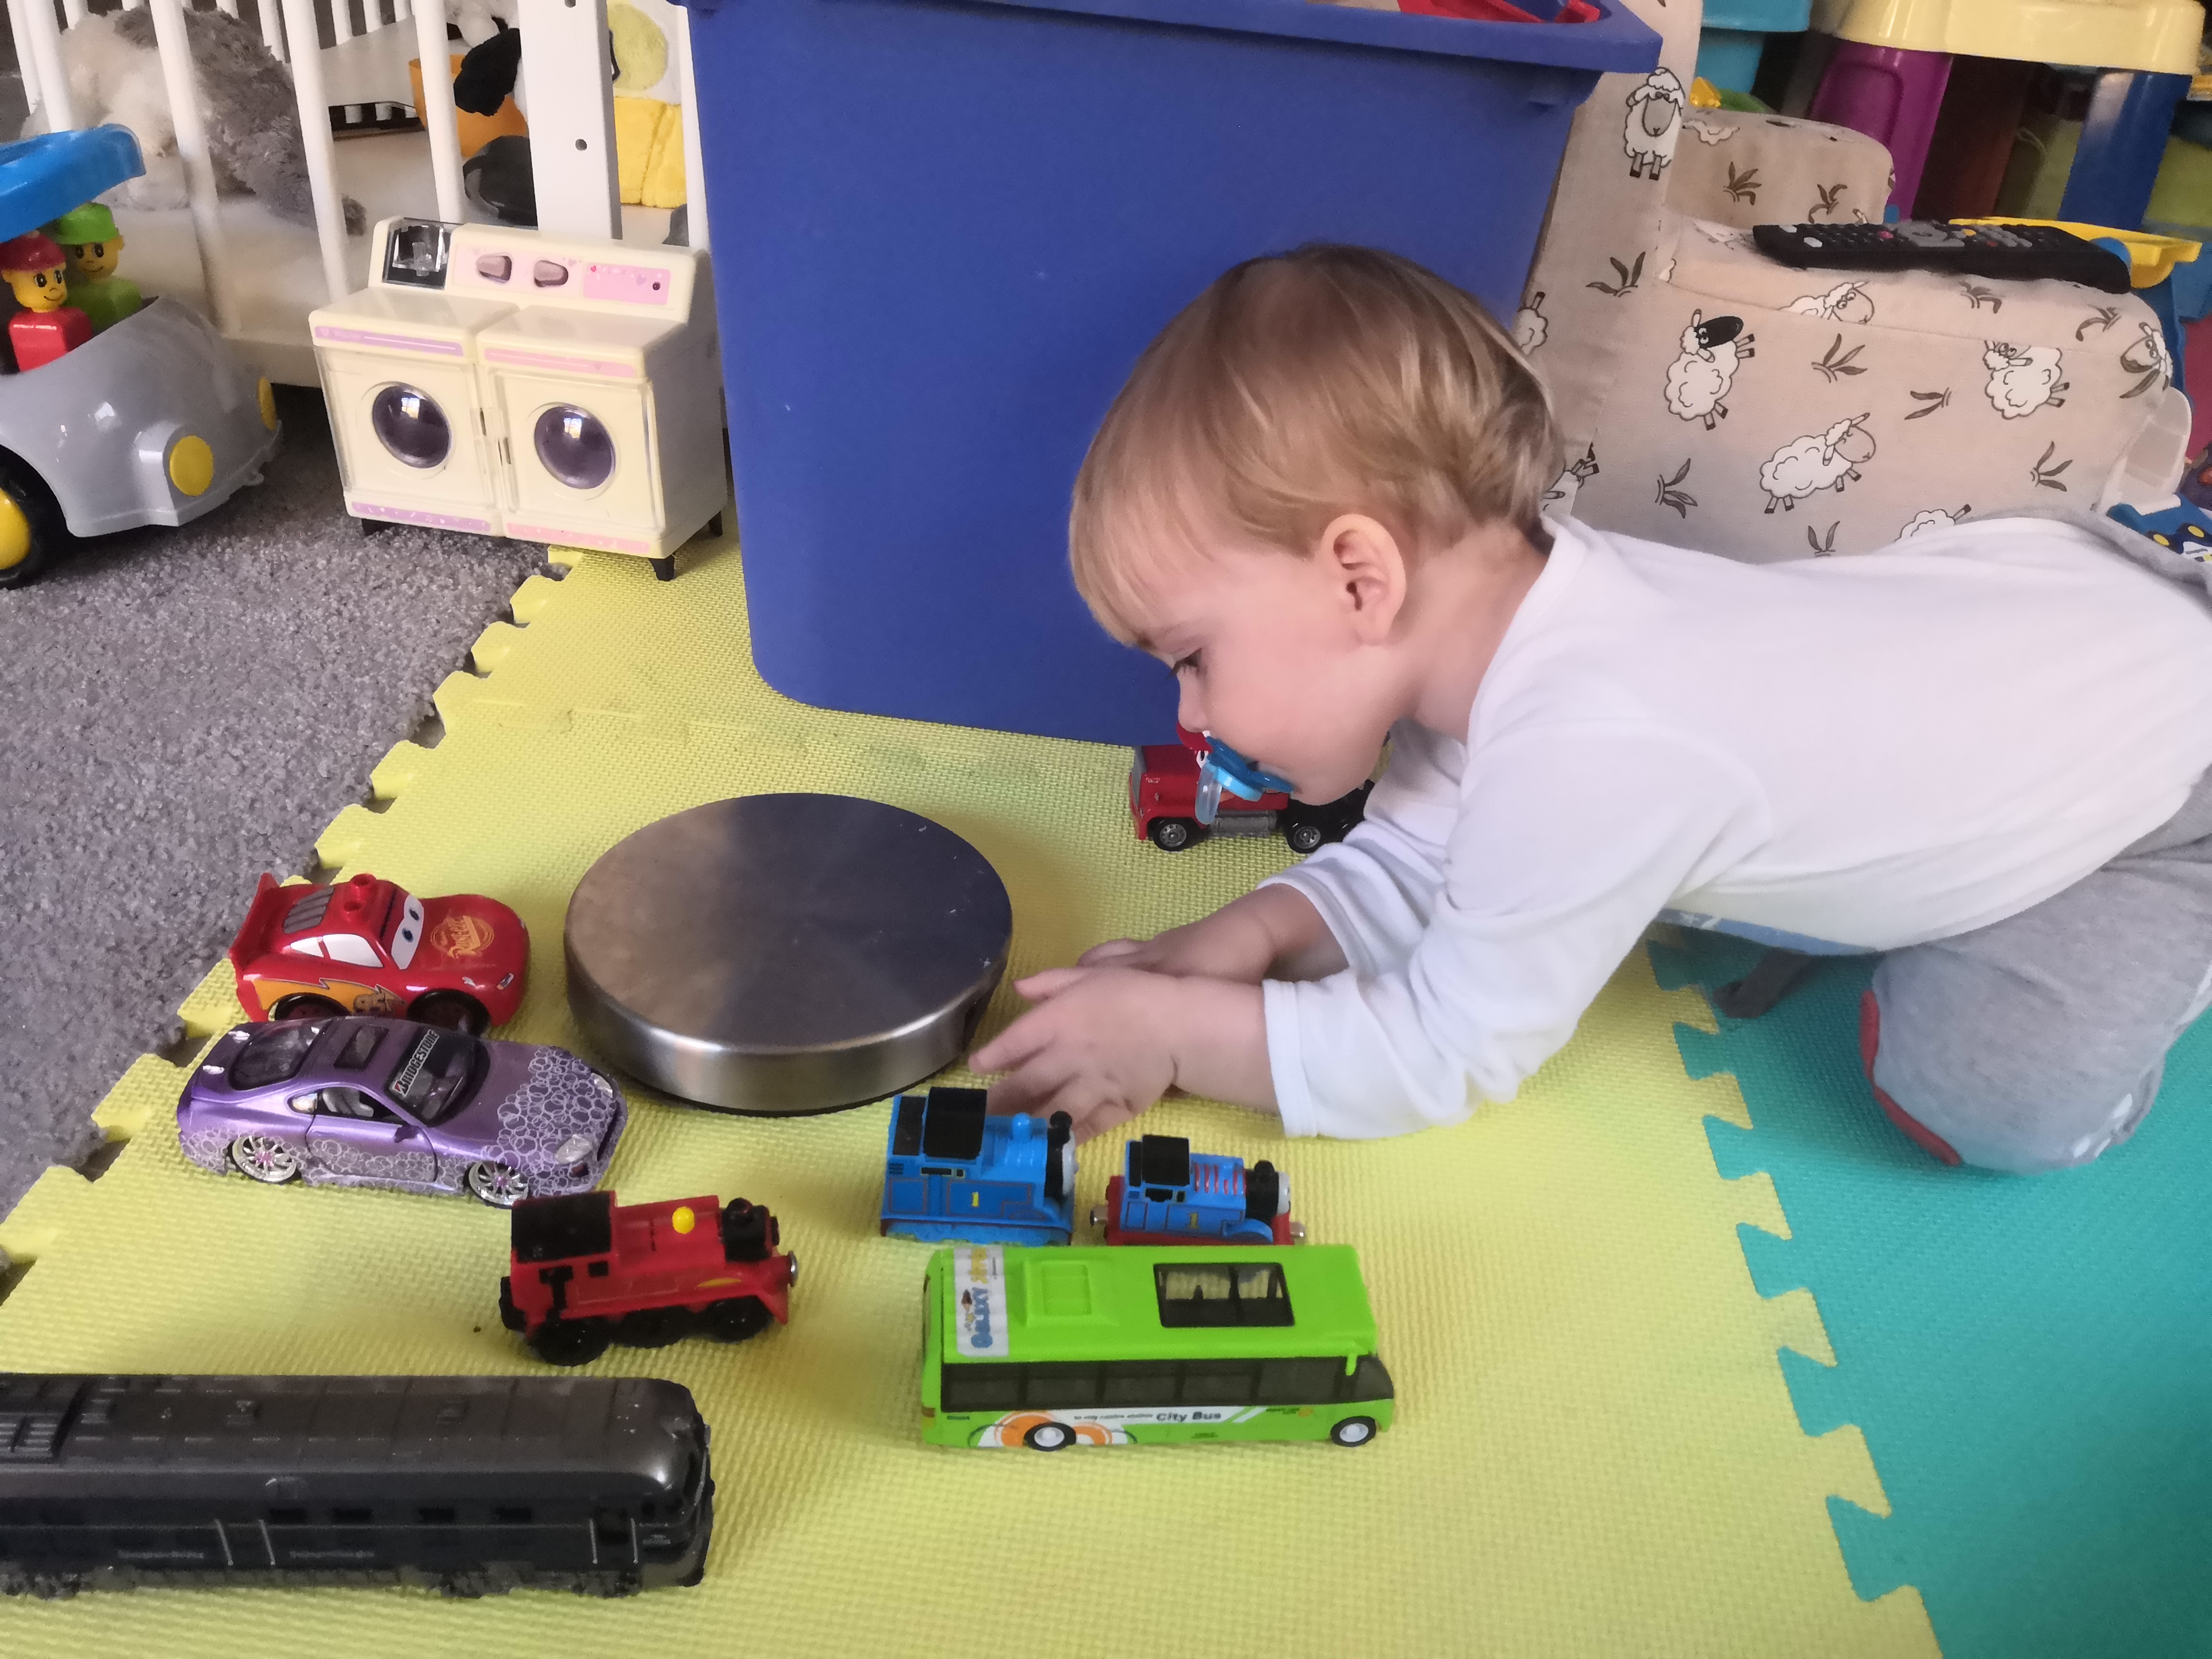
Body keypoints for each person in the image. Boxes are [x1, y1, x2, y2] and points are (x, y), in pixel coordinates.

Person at [972, 243, 2212, 1175]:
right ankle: (1945, 841)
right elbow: (1413, 859)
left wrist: (1180, 1037)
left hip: (2167, 764)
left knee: (1983, 1103)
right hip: (2026, 639)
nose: (1190, 717)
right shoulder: (1508, 626)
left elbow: (1445, 1051)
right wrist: (1238, 946)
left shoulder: (1600, 741)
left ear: (1360, 578)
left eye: (1193, 658)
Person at [1, 231, 93, 371]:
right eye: (41, 281)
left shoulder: (76, 315)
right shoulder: (17, 324)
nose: (54, 288)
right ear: (9, 276)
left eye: (58, 277)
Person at [47, 202, 142, 333]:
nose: (89, 260)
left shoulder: (127, 290)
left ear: (119, 243)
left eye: (98, 251)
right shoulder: (73, 296)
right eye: (79, 253)